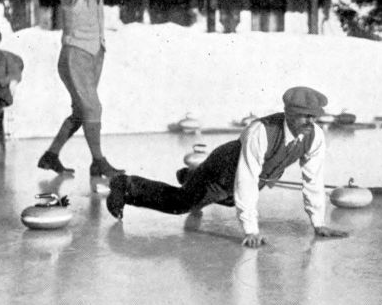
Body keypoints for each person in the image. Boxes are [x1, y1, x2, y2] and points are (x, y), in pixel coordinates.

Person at [105, 86, 349, 248]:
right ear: (289, 113)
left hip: (245, 180)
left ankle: (191, 176)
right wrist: (251, 231)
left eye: (314, 116)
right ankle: (126, 185)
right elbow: (246, 178)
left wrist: (318, 223)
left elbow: (313, 180)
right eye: (305, 116)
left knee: (232, 201)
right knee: (181, 204)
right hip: (221, 171)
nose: (311, 122)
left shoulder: (314, 136)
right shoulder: (261, 131)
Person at [37, 0, 124, 178]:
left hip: (94, 55)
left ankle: (51, 155)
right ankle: (99, 161)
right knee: (92, 108)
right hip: (75, 55)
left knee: (82, 112)